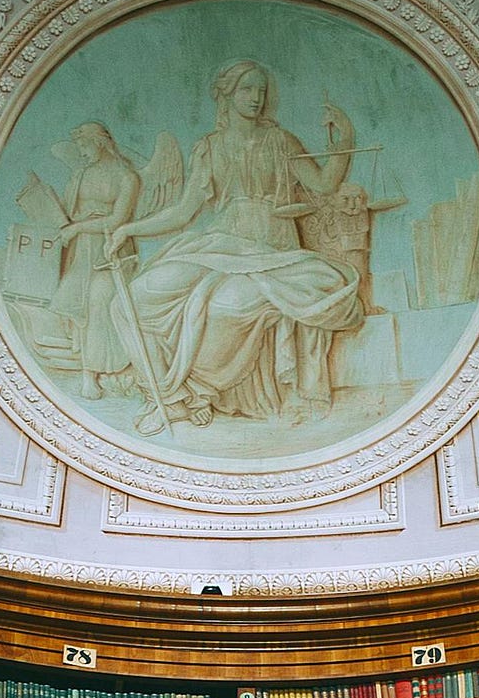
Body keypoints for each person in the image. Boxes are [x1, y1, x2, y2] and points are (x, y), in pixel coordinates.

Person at [105, 60, 364, 433]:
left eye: (261, 90)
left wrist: (345, 142)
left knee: (226, 307)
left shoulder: (281, 141)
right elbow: (182, 212)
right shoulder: (209, 148)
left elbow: (322, 184)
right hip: (218, 247)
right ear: (226, 95)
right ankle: (166, 396)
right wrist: (128, 229)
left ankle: (196, 390)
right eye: (247, 89)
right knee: (128, 301)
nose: (256, 98)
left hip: (270, 251)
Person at [53, 124, 141, 398]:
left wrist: (79, 227)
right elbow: (67, 213)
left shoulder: (127, 177)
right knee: (81, 305)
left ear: (99, 143)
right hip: (80, 251)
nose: (81, 153)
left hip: (110, 248)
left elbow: (118, 220)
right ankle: (88, 374)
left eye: (84, 146)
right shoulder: (81, 174)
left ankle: (104, 370)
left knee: (99, 300)